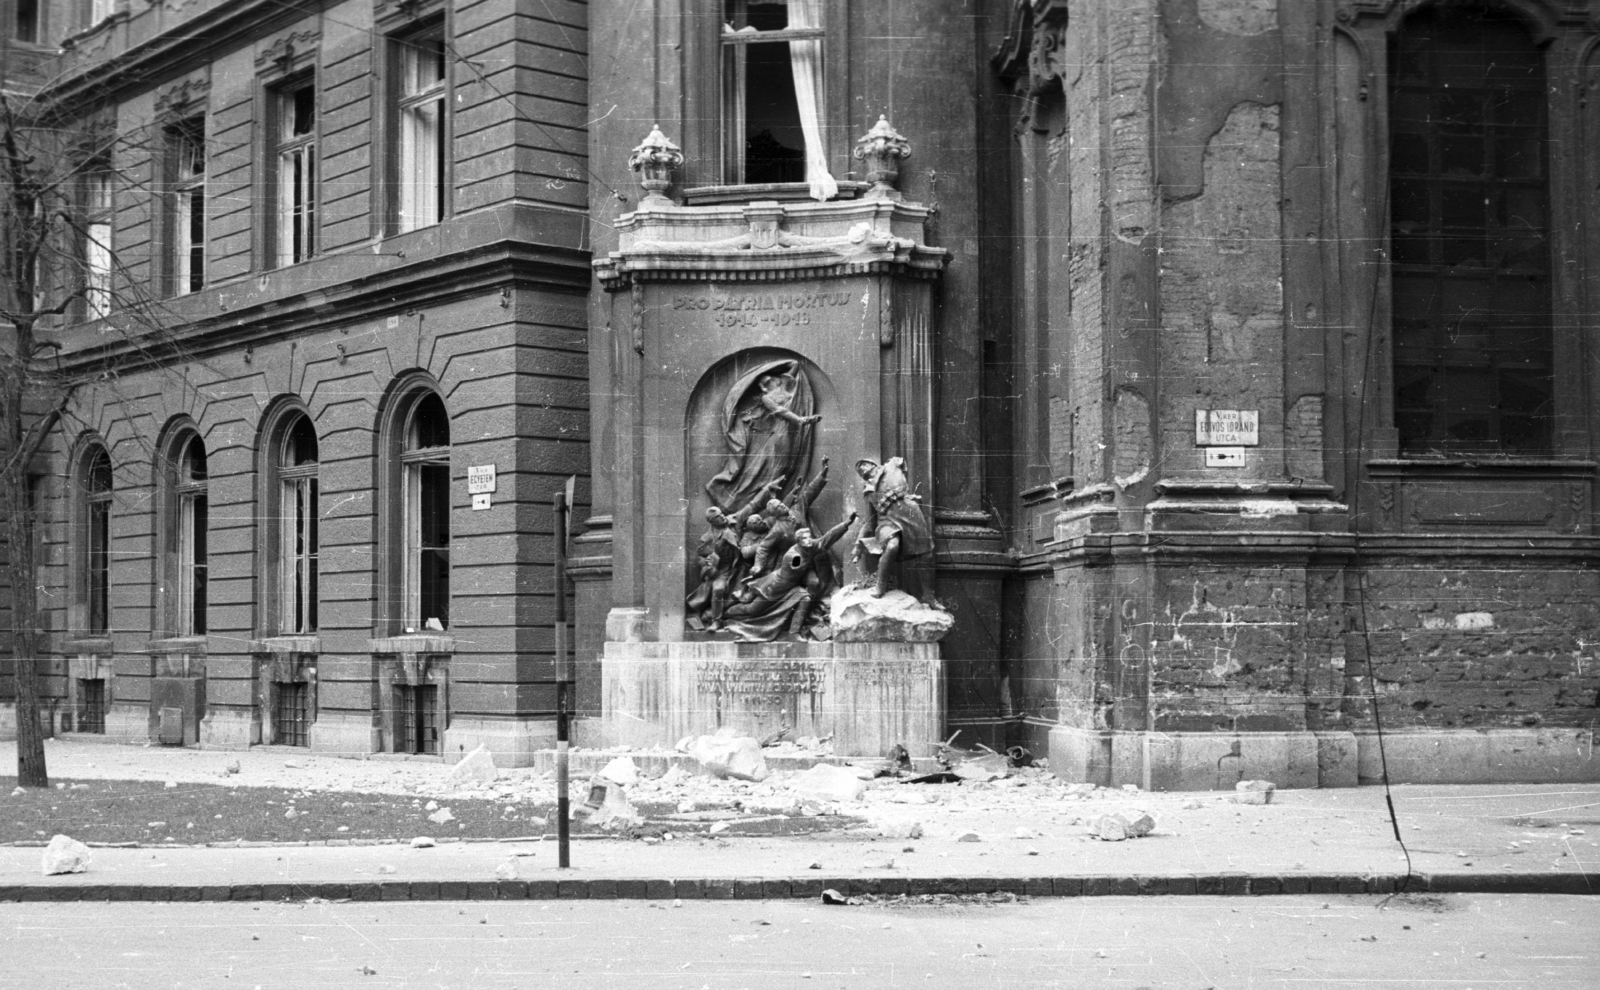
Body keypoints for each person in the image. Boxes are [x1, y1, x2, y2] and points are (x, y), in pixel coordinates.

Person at [852, 456, 932, 598]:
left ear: (872, 463)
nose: (861, 469)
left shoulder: (893, 464)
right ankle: (880, 586)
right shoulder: (868, 492)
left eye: (863, 464)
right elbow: (869, 521)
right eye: (859, 470)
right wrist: (858, 545)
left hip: (910, 514)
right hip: (887, 521)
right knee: (892, 546)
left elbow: (903, 464)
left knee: (926, 554)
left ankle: (928, 595)